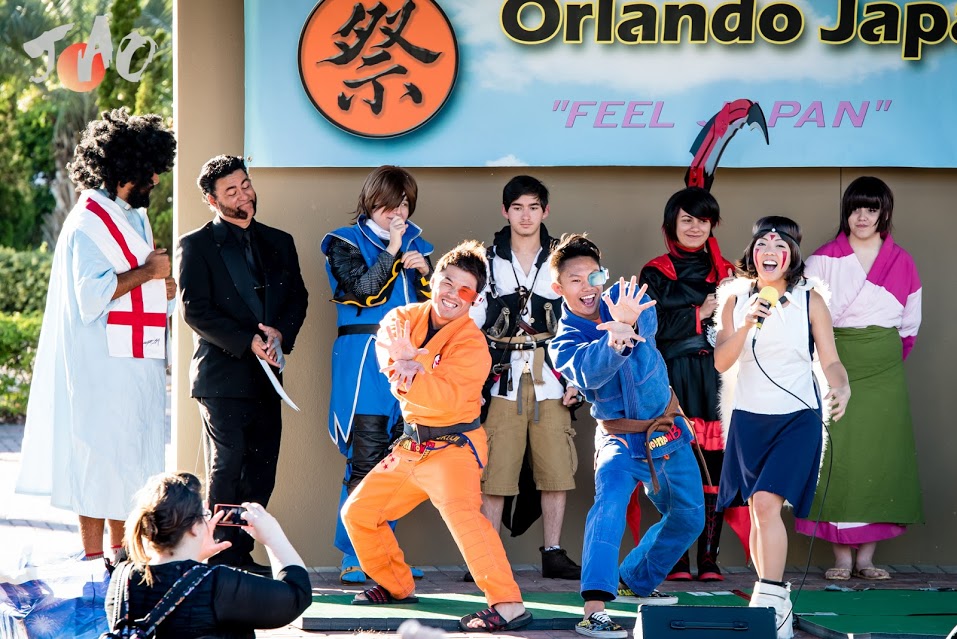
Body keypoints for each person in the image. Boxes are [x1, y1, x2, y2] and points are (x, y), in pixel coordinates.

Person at [341, 241, 532, 634]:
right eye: (447, 283)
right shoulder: (402, 317)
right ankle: (396, 585)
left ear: (474, 299)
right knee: (358, 514)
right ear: (433, 280)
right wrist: (409, 366)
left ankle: (508, 604)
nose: (452, 295)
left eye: (465, 291)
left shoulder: (473, 344)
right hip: (411, 446)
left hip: (453, 447)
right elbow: (389, 357)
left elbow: (445, 400)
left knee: (464, 518)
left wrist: (417, 362)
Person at [16, 108, 176, 567]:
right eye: (151, 172)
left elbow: (143, 284)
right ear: (125, 169)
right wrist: (148, 271)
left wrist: (161, 288)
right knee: (98, 459)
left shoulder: (134, 217)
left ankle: (121, 558)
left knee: (132, 462)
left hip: (137, 363)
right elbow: (91, 296)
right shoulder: (86, 222)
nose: (156, 181)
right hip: (98, 365)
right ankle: (91, 562)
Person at [548, 234, 704, 639]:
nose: (589, 287)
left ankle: (635, 579)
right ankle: (595, 607)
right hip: (618, 439)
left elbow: (648, 321)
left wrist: (629, 319)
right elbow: (588, 374)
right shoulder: (563, 340)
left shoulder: (625, 296)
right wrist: (614, 337)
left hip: (666, 431)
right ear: (559, 288)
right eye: (576, 280)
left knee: (689, 516)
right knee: (610, 508)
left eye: (593, 276)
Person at [713, 216, 851, 639]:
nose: (768, 252)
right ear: (752, 254)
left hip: (798, 418)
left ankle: (769, 600)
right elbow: (722, 360)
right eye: (761, 245)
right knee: (757, 510)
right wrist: (750, 319)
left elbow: (829, 358)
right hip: (749, 418)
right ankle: (773, 600)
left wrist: (842, 387)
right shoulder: (735, 301)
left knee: (769, 505)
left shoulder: (812, 300)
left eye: (778, 245)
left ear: (791, 254)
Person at [176, 155, 308, 574]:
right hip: (221, 375)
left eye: (245, 185)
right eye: (230, 190)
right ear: (211, 200)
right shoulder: (195, 244)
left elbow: (298, 299)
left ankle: (242, 552)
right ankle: (221, 555)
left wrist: (279, 334)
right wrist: (248, 340)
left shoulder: (280, 240)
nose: (243, 195)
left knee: (263, 466)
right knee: (228, 464)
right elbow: (194, 310)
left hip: (269, 374)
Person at [794, 177, 923, 581]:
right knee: (836, 453)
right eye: (855, 208)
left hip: (884, 368)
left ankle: (866, 557)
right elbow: (807, 319)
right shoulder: (822, 259)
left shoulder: (902, 260)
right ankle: (841, 558)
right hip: (836, 360)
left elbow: (909, 327)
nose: (862, 216)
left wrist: (881, 358)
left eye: (871, 208)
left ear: (885, 212)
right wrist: (831, 362)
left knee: (881, 454)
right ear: (846, 213)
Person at [320, 165, 433, 584]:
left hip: (407, 364)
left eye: (404, 203)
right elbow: (364, 288)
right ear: (371, 201)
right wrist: (396, 248)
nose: (398, 211)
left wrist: (426, 275)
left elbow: (435, 312)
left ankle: (385, 555)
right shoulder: (343, 243)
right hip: (365, 359)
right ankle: (354, 554)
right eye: (390, 202)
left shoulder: (418, 246)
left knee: (400, 461)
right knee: (366, 459)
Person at [470, 175, 581, 580]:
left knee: (556, 469)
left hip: (552, 375)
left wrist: (576, 380)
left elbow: (581, 316)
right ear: (505, 211)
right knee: (495, 469)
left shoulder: (563, 258)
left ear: (545, 211)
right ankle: (485, 553)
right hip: (502, 377)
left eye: (534, 207)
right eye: (517, 207)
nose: (526, 215)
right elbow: (472, 321)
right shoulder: (486, 259)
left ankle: (552, 551)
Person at [637, 187, 745, 582]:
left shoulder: (729, 273)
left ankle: (710, 559)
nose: (695, 227)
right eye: (687, 220)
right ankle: (677, 559)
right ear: (671, 226)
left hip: (716, 380)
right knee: (676, 470)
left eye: (702, 220)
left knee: (715, 473)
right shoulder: (655, 272)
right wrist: (699, 313)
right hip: (673, 379)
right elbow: (650, 331)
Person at [105, 471, 311, 638]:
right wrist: (273, 537)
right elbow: (297, 596)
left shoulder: (122, 579)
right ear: (194, 528)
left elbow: (169, 589)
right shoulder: (216, 585)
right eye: (205, 516)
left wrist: (194, 562)